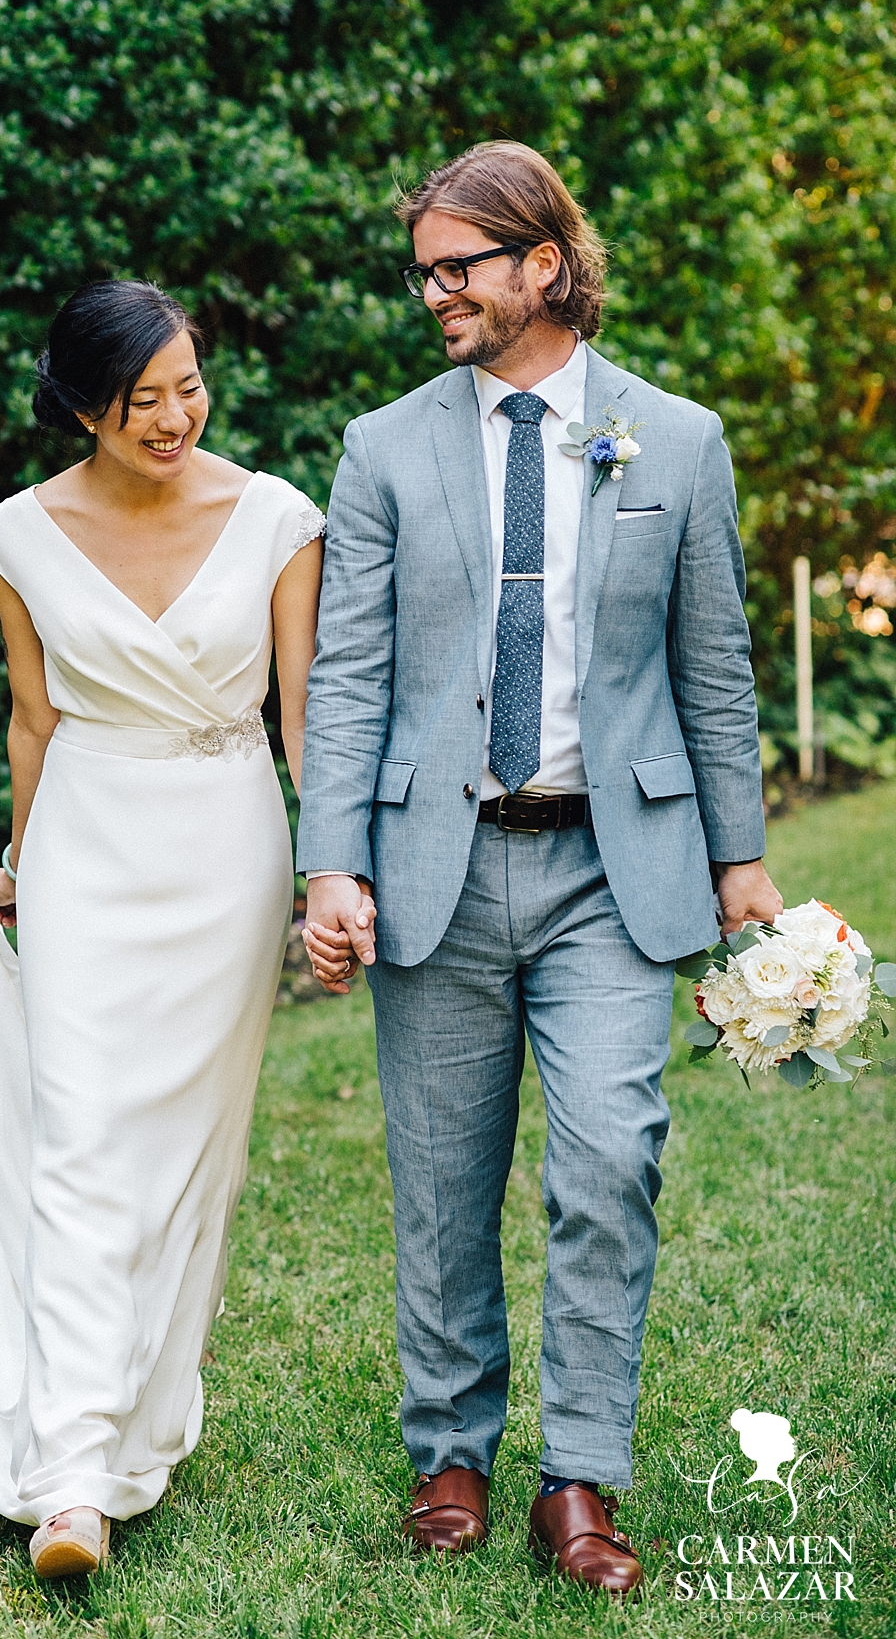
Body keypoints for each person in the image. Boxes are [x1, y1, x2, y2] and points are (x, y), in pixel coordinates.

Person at [296, 141, 781, 1595]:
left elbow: (717, 665)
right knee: (443, 1183)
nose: (433, 291)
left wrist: (741, 862)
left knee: (609, 1158)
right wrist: (332, 862)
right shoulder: (384, 446)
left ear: (544, 266)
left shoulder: (677, 439)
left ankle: (582, 1473)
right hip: (434, 856)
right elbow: (347, 673)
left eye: (460, 266)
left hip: (613, 869)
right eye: (423, 269)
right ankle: (450, 1448)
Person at [0, 279, 324, 1578]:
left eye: (187, 387)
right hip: (86, 848)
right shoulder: (17, 535)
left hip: (224, 852)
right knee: (85, 1140)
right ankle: (72, 1477)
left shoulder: (274, 517)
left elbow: (302, 721)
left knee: (185, 1163)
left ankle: (140, 1409)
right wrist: (19, 855)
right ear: (82, 406)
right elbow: (33, 720)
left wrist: (333, 870)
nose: (172, 416)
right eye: (139, 399)